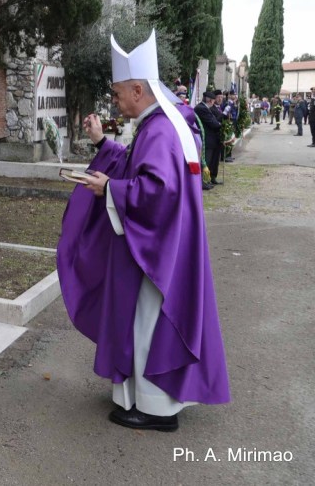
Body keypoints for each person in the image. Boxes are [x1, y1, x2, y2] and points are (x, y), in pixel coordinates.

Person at [57, 32, 230, 432]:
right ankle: (150, 399)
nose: (114, 100)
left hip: (158, 253)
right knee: (146, 320)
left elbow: (157, 191)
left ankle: (155, 408)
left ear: (138, 88)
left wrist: (110, 188)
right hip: (170, 245)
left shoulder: (159, 130)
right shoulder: (165, 123)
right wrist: (103, 144)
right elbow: (142, 167)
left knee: (150, 320)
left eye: (118, 93)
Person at [195, 91, 222, 186]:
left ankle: (210, 179)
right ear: (210, 100)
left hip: (212, 138)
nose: (214, 102)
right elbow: (212, 122)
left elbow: (214, 120)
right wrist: (219, 124)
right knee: (206, 160)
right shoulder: (201, 108)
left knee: (212, 160)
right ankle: (204, 181)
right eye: (213, 100)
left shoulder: (205, 108)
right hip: (206, 139)